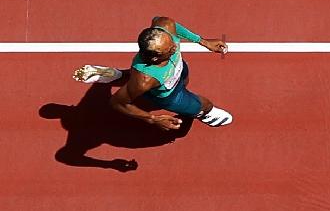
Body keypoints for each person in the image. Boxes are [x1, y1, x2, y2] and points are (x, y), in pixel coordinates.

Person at [71, 16, 234, 130]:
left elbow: (174, 26)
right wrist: (153, 119)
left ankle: (118, 75)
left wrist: (203, 41)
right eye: (169, 49)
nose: (175, 47)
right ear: (156, 57)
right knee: (205, 104)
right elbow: (117, 103)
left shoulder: (165, 26)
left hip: (178, 72)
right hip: (170, 96)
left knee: (183, 80)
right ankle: (204, 114)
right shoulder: (145, 79)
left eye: (173, 42)